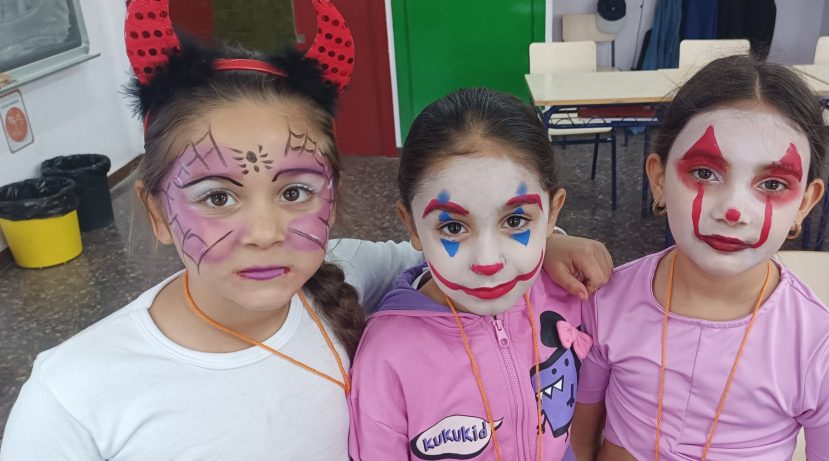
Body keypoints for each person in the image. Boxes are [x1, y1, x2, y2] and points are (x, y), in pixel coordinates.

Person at [0, 3, 611, 459]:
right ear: (157, 211)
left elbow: (457, 242)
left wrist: (551, 239)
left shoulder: (346, 268)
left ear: (332, 197)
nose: (265, 232)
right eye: (218, 196)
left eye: (294, 192)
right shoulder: (72, 396)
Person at [572, 55, 829, 461]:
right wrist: (552, 243)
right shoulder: (605, 301)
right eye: (705, 173)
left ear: (805, 204)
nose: (733, 210)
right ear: (659, 179)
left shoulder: (826, 357)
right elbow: (579, 439)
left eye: (773, 184)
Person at [348, 88, 606, 461]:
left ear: (553, 212)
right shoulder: (386, 357)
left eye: (515, 221)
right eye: (453, 227)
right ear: (413, 226)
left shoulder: (572, 294)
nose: (488, 262)